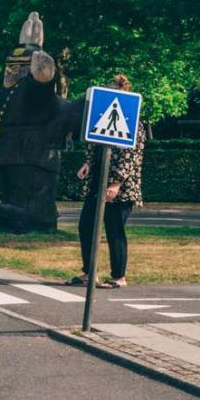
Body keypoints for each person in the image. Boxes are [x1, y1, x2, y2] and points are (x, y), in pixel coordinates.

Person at [70, 74, 144, 289]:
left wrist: (117, 182)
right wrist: (88, 164)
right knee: (86, 226)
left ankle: (119, 276)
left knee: (114, 229)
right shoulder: (101, 115)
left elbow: (132, 155)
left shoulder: (133, 120)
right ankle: (89, 272)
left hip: (120, 189)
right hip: (98, 181)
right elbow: (95, 144)